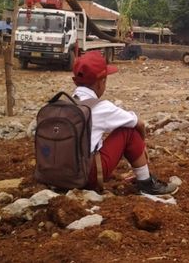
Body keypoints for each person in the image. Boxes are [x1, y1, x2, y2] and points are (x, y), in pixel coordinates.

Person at [71, 51, 177, 195]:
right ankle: (146, 183)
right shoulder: (100, 107)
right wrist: (141, 146)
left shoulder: (65, 103)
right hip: (86, 176)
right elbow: (139, 124)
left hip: (57, 174)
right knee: (128, 131)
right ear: (101, 82)